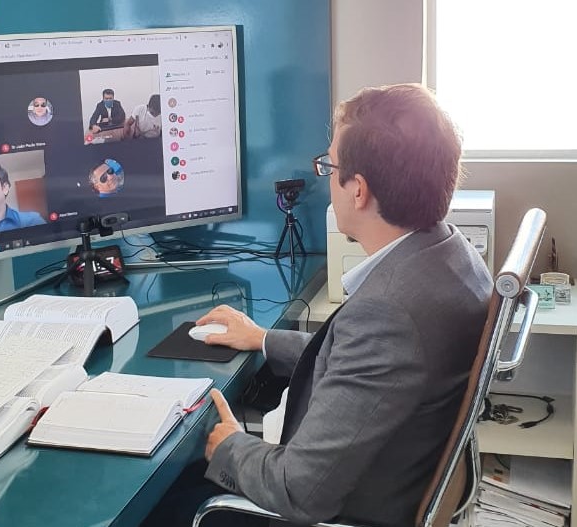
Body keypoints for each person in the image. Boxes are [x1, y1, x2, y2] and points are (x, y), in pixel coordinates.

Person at [141, 84, 493, 527]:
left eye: (330, 166)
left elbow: (299, 491)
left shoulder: (388, 314)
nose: (326, 177)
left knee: (163, 504)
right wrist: (264, 339)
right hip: (388, 479)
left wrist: (228, 446)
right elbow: (366, 364)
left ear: (358, 190)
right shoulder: (453, 256)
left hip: (342, 510)